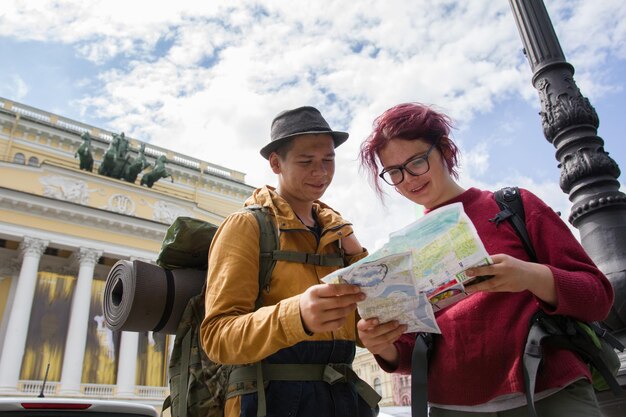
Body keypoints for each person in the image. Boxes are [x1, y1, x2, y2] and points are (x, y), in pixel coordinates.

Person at [357, 102, 614, 416]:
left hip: (549, 391)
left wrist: (530, 276)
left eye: (417, 162)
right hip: (451, 406)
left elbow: (598, 297)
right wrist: (381, 344)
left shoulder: (511, 206)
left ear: (445, 150)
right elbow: (413, 351)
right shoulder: (403, 253)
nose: (409, 179)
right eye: (394, 172)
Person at [200, 106, 379, 417]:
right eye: (306, 162)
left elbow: (360, 328)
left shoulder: (337, 234)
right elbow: (217, 337)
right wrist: (297, 316)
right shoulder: (246, 226)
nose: (321, 172)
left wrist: (360, 261)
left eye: (328, 160)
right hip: (269, 401)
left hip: (343, 398)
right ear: (275, 163)